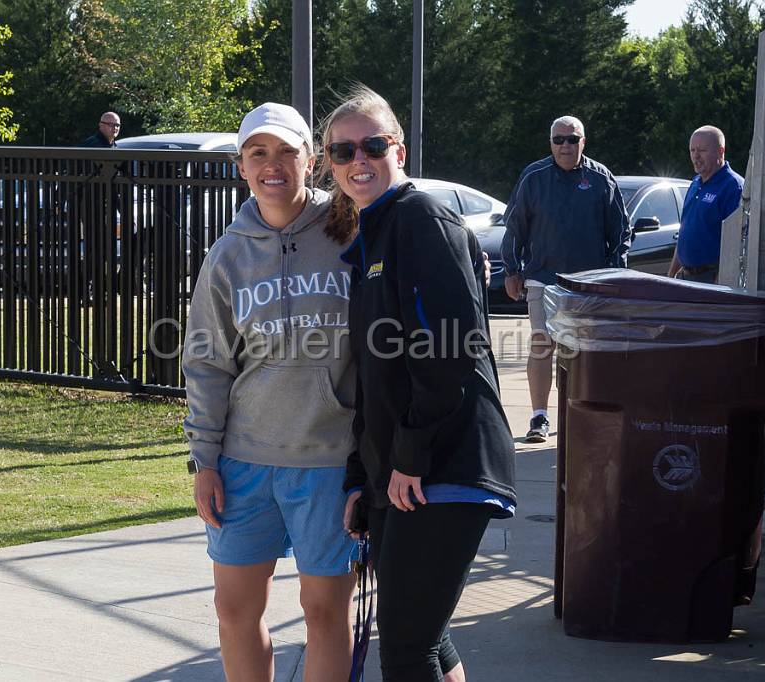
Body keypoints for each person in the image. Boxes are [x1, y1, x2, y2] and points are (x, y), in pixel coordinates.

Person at [323, 86, 517, 681]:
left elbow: (449, 352)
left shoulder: (422, 218)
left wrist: (408, 457)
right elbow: (375, 376)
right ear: (329, 164)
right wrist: (363, 478)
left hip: (444, 465)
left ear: (397, 150)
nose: (359, 159)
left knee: (407, 653)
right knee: (428, 639)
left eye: (372, 145)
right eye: (342, 150)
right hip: (400, 474)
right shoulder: (372, 236)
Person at [181, 102, 357, 681]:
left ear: (311, 160)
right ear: (241, 165)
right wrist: (204, 460)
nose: (273, 164)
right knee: (233, 609)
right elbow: (207, 363)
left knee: (324, 610)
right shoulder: (228, 254)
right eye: (259, 153)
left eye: (286, 151)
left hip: (329, 461)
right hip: (244, 462)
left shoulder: (349, 231)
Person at [499, 115, 630, 443]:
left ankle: (578, 415)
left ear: (583, 142)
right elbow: (515, 227)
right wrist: (512, 270)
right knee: (542, 344)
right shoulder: (534, 177)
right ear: (551, 143)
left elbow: (620, 232)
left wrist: (615, 275)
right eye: (559, 140)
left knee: (581, 351)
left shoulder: (601, 179)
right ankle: (539, 417)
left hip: (588, 284)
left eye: (572, 139)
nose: (565, 146)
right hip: (543, 278)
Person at [668, 125, 744, 283]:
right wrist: (670, 277)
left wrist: (720, 281)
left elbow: (738, 242)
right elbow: (685, 232)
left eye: (702, 150)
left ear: (720, 151)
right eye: (692, 150)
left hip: (711, 279)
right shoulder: (695, 183)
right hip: (685, 277)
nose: (696, 156)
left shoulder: (733, 187)